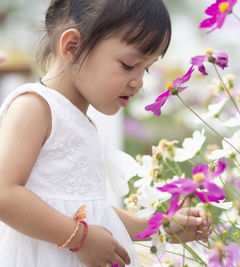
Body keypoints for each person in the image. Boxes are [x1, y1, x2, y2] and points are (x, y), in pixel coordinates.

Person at [0, 0, 211, 266]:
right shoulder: (34, 107)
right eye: (128, 64)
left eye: (145, 68)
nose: (138, 82)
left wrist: (158, 226)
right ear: (73, 48)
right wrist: (78, 238)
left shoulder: (79, 120)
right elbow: (4, 194)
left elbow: (87, 208)